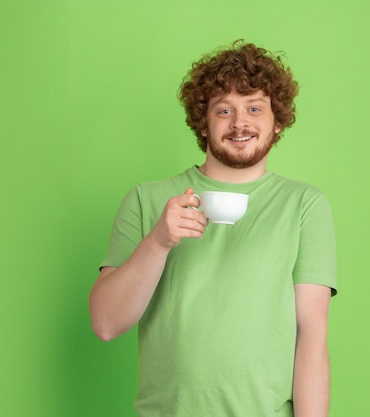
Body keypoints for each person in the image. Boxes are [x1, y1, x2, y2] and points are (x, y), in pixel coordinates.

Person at [89, 40, 337, 417]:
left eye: (255, 108)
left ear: (277, 122)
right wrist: (159, 241)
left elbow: (312, 338)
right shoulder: (147, 200)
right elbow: (106, 323)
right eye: (224, 110)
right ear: (202, 122)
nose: (240, 122)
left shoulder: (304, 205)